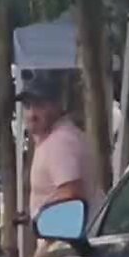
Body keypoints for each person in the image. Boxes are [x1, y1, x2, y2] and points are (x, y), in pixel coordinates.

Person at [17, 73, 105, 226]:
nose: (32, 114)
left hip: (69, 243)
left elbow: (71, 194)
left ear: (57, 105)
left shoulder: (60, 142)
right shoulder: (57, 138)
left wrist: (42, 225)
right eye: (27, 106)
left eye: (40, 105)